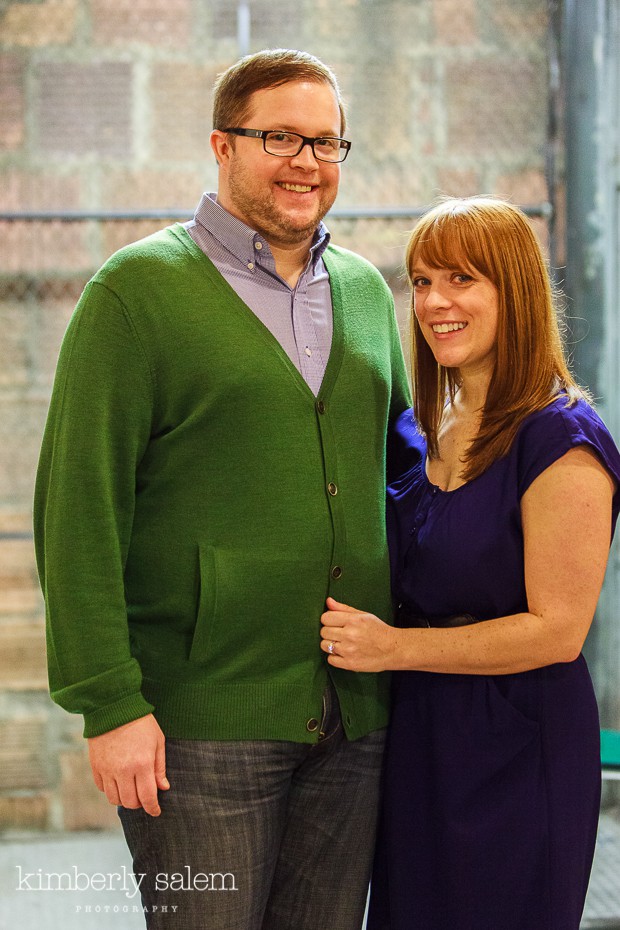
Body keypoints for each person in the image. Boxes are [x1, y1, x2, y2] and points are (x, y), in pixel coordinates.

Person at [34, 49, 410, 930]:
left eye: (326, 142)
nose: (307, 162)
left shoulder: (361, 290)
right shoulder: (136, 294)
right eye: (280, 135)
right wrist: (110, 705)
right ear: (221, 143)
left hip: (353, 715)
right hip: (200, 722)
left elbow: (401, 469)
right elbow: (78, 508)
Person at [320, 196, 620, 930]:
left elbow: (557, 630)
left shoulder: (564, 439)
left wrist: (393, 648)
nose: (434, 302)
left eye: (461, 279)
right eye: (421, 281)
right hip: (419, 730)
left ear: (512, 291)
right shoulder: (418, 424)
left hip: (518, 737)